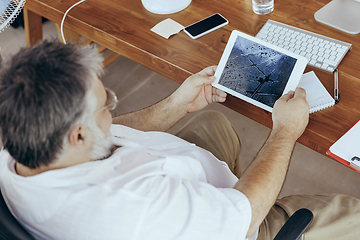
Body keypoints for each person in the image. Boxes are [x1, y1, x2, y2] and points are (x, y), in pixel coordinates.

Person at [0, 40, 359, 240]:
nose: (112, 106)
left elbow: (108, 131)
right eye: (105, 103)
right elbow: (244, 215)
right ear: (77, 134)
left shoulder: (21, 140)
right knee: (353, 216)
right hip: (236, 224)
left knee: (211, 121)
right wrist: (285, 131)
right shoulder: (135, 209)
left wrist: (176, 105)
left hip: (170, 178)